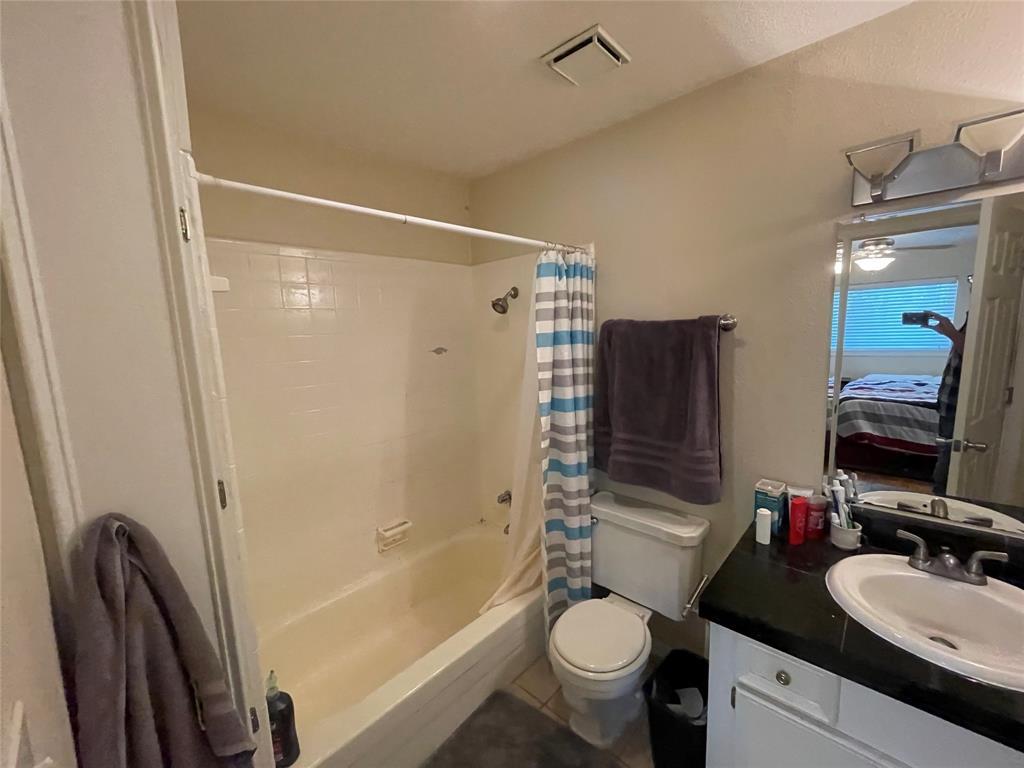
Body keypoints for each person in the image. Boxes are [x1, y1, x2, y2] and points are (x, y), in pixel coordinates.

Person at [925, 311, 967, 495]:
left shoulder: (981, 321)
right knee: (946, 449)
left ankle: (941, 496)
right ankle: (940, 493)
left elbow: (970, 352)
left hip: (956, 401)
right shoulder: (971, 322)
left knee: (948, 452)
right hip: (949, 399)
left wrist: (951, 333)